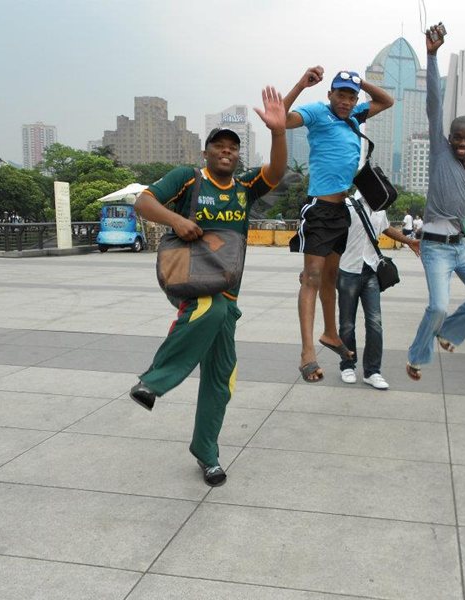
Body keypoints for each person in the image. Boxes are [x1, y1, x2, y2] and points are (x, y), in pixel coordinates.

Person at [127, 86, 288, 486]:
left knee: (222, 375)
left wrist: (279, 132)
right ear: (206, 152)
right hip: (188, 277)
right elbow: (143, 203)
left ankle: (207, 453)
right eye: (219, 146)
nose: (227, 152)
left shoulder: (244, 188)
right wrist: (177, 220)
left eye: (233, 148)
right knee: (208, 308)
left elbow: (278, 172)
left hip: (228, 287)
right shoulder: (188, 179)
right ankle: (154, 381)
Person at [283, 66, 394, 382]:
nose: (345, 101)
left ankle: (331, 334)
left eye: (351, 96)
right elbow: (281, 119)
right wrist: (302, 84)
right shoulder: (318, 112)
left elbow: (386, 101)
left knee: (329, 280)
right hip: (318, 208)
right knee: (312, 279)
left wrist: (361, 81)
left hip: (341, 214)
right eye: (340, 95)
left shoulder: (355, 116)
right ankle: (307, 353)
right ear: (329, 95)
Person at [406, 25, 465, 381]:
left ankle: (451, 334)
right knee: (439, 305)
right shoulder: (440, 151)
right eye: (457, 137)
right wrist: (431, 55)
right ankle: (417, 356)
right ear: (450, 136)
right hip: (435, 248)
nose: (462, 142)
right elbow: (434, 104)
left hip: (461, 247)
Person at [337, 193, 420, 389]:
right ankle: (347, 365)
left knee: (375, 323)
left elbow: (386, 228)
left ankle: (372, 371)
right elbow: (331, 234)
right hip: (348, 270)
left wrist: (408, 241)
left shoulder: (380, 208)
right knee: (347, 324)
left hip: (371, 270)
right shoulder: (346, 205)